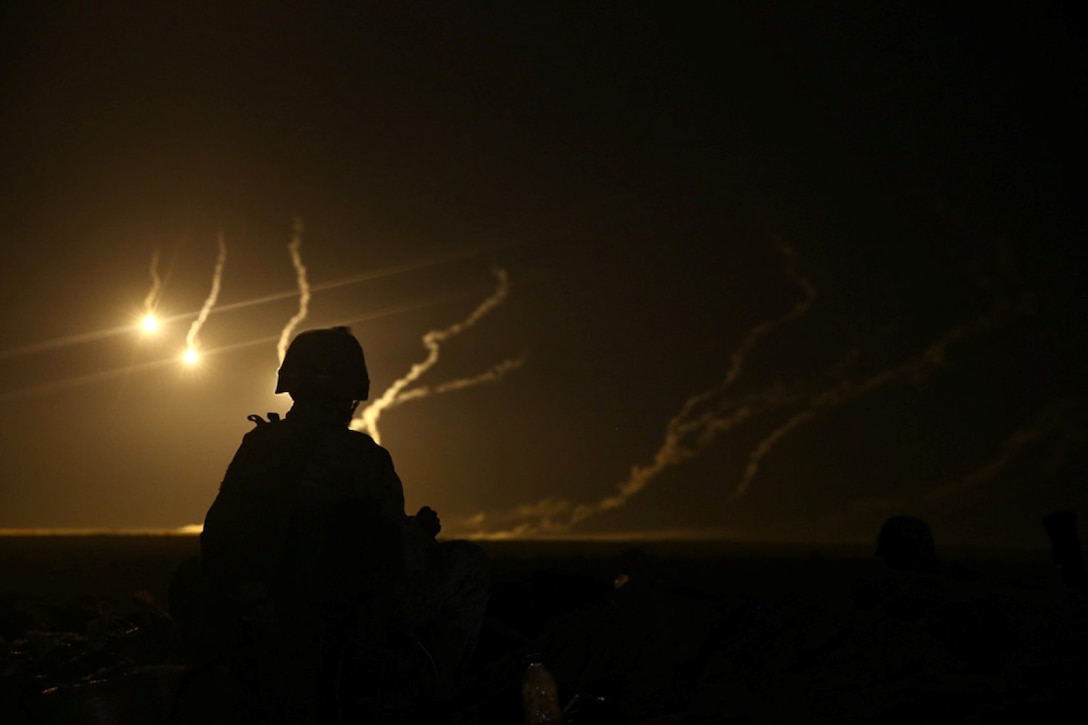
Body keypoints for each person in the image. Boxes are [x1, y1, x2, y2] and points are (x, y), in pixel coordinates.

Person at [194, 326, 490, 723]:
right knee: (468, 563)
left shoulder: (258, 445)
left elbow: (218, 535)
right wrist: (419, 536)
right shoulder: (362, 458)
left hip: (257, 613)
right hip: (335, 622)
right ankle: (434, 696)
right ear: (349, 393)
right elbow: (397, 556)